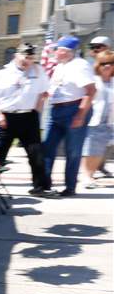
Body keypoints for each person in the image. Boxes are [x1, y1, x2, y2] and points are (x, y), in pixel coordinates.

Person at [0, 43, 50, 195]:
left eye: (30, 58)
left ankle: (40, 187)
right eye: (24, 57)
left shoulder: (38, 72)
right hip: (6, 117)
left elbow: (43, 93)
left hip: (29, 117)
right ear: (16, 56)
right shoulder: (1, 73)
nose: (27, 61)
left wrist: (37, 111)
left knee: (36, 154)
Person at [43, 36, 96, 197]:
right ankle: (44, 185)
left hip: (74, 109)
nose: (54, 52)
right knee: (47, 147)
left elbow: (91, 91)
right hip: (56, 110)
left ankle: (70, 187)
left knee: (72, 150)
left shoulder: (80, 66)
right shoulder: (60, 66)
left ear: (67, 51)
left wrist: (80, 115)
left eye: (57, 49)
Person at [80, 51, 114, 189]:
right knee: (91, 150)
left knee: (100, 151)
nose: (107, 66)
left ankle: (90, 174)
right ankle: (86, 176)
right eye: (103, 63)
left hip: (110, 122)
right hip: (94, 120)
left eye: (110, 63)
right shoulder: (93, 80)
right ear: (98, 65)